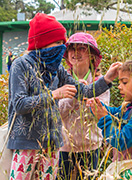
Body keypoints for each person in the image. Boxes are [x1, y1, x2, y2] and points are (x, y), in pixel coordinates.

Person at [7, 13, 121, 180]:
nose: (62, 47)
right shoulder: (21, 65)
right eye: (58, 42)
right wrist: (54, 94)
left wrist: (108, 78)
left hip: (52, 144)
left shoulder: (56, 68)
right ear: (44, 42)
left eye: (63, 43)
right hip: (26, 142)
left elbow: (84, 92)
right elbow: (19, 104)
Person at [57, 32, 110, 180]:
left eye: (82, 48)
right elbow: (58, 112)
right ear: (67, 55)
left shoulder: (100, 81)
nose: (76, 53)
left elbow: (100, 114)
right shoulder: (59, 79)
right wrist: (77, 94)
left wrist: (85, 96)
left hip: (90, 145)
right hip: (63, 146)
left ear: (92, 55)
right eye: (72, 49)